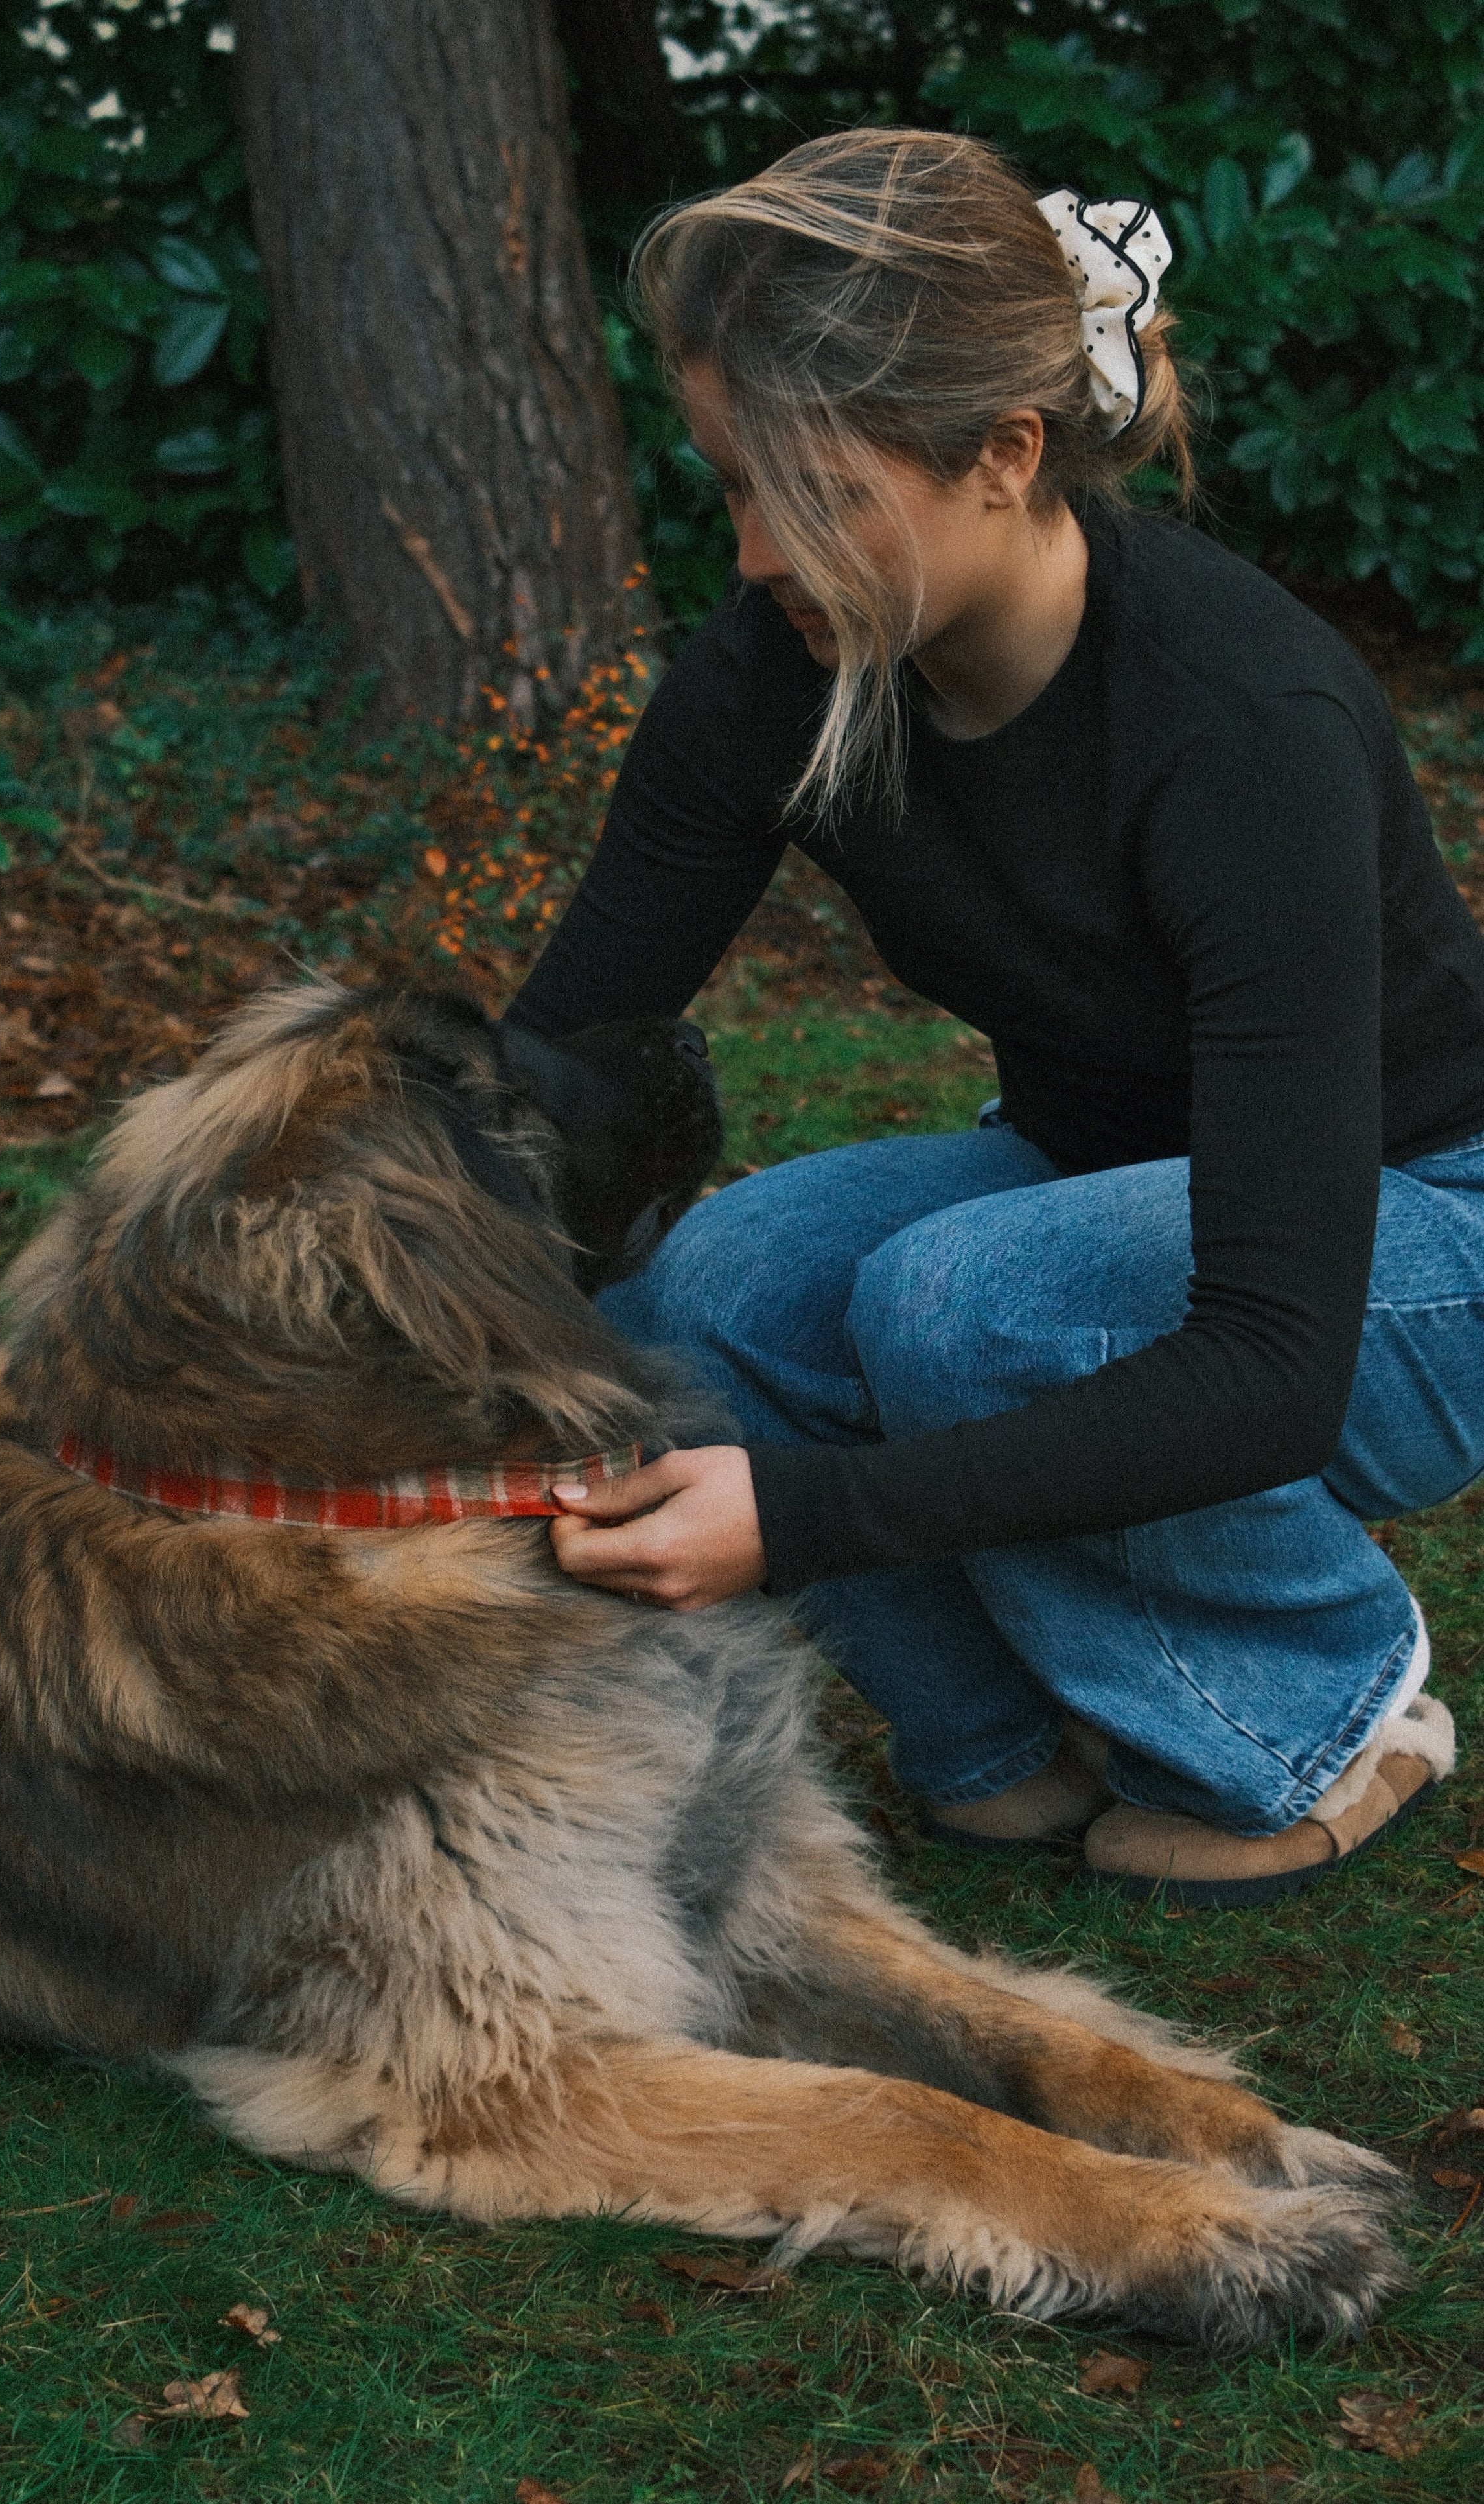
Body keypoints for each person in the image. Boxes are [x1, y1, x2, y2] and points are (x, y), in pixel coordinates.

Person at [504, 128, 1480, 1906]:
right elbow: (557, 1069)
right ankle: (1000, 1740)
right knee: (694, 1290)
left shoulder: (1238, 727)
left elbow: (1271, 1361)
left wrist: (797, 1519)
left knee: (973, 1302)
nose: (751, 557)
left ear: (1005, 456)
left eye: (813, 494)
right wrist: (306, 1312)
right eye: (730, 485)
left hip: (1417, 1227)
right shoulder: (787, 672)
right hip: (1091, 1174)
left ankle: (1328, 1710)